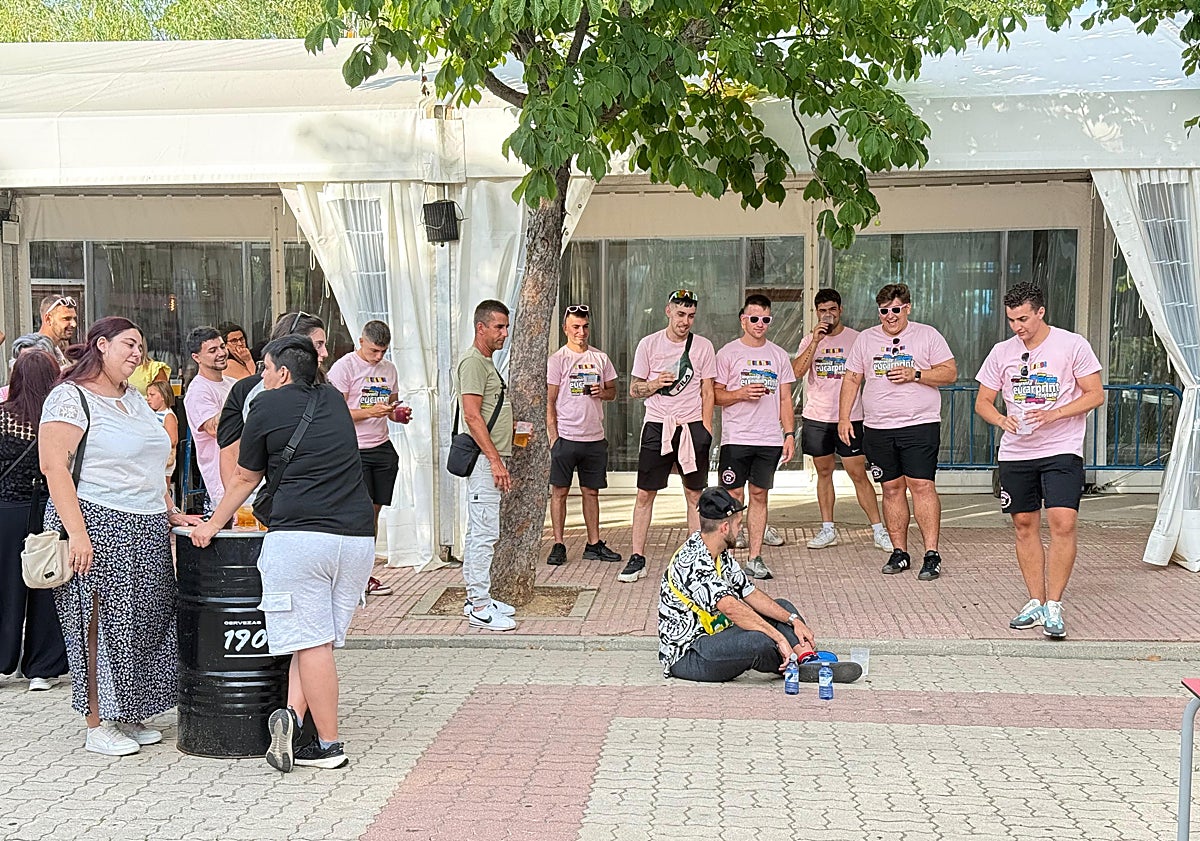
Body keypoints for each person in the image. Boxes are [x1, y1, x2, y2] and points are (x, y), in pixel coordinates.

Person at [192, 335, 375, 771]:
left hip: (300, 540)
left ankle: (328, 746)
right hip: (356, 541)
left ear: (283, 372)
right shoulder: (333, 401)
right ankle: (292, 719)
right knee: (312, 639)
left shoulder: (266, 407)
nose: (262, 376)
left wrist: (212, 525)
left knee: (312, 644)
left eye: (266, 369)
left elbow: (243, 477)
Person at [39, 317, 203, 757]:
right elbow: (54, 467)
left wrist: (169, 511)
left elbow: (150, 462)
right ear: (101, 344)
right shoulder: (70, 397)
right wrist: (76, 533)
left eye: (141, 347)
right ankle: (97, 722)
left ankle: (128, 712)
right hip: (95, 520)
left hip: (146, 523)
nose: (137, 354)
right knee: (96, 623)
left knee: (144, 622)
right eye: (128, 345)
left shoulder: (133, 397)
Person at [975, 282, 1104, 639]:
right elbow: (983, 401)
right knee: (1023, 525)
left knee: (1063, 522)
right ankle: (1035, 600)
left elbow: (1095, 395)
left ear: (1040, 312)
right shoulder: (1002, 352)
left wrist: (1055, 414)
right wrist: (1002, 420)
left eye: (1024, 319)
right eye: (1012, 320)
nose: (1018, 327)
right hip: (1017, 451)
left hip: (1062, 448)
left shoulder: (1072, 344)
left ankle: (1055, 605)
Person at [658, 487, 860, 684]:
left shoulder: (718, 552)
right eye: (738, 525)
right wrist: (778, 637)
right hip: (689, 655)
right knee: (758, 641)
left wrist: (794, 620)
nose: (740, 530)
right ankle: (795, 663)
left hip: (715, 637)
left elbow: (749, 592)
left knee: (781, 607)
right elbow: (730, 608)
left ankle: (806, 659)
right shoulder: (693, 561)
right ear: (725, 528)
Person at [839, 283, 957, 581]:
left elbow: (950, 372)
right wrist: (844, 418)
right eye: (883, 311)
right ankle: (899, 551)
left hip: (919, 424)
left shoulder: (927, 334)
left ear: (907, 308)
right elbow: (852, 379)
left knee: (921, 486)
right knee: (891, 488)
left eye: (895, 310)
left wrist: (916, 374)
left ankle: (931, 553)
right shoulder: (866, 339)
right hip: (878, 426)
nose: (889, 317)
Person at [624, 289, 717, 584]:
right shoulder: (648, 344)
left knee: (694, 494)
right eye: (680, 314)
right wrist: (653, 384)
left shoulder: (702, 346)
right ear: (668, 311)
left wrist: (706, 428)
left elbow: (707, 390)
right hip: (657, 425)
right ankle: (637, 556)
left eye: (690, 316)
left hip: (691, 427)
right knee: (645, 493)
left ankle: (695, 558)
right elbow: (633, 389)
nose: (685, 321)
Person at [793, 289, 892, 552]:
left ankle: (879, 530)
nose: (828, 315)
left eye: (832, 310)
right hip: (817, 417)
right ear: (817, 313)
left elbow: (871, 374)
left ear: (840, 310)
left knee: (857, 473)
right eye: (823, 311)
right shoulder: (809, 340)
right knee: (823, 472)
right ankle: (828, 529)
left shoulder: (857, 339)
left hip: (851, 417)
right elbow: (796, 372)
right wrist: (815, 342)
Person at [713, 294, 796, 580]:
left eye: (765, 319)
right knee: (733, 495)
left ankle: (755, 557)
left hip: (769, 439)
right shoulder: (727, 353)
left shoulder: (779, 355)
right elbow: (715, 395)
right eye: (754, 318)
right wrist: (740, 393)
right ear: (743, 319)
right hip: (736, 437)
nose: (760, 324)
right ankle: (727, 559)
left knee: (759, 495)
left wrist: (789, 434)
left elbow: (786, 398)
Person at [327, 319, 412, 597]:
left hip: (382, 446)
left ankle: (362, 571)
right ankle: (350, 575)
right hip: (353, 448)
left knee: (374, 512)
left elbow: (390, 406)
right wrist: (368, 413)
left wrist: (397, 413)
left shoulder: (389, 369)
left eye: (383, 352)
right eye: (374, 351)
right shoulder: (344, 367)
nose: (378, 357)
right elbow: (335, 414)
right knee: (358, 512)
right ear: (361, 342)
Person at [0, 350, 68, 692]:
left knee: (5, 588)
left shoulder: (2, 418)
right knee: (48, 584)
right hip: (51, 510)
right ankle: (43, 666)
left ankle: (2, 662)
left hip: (7, 512)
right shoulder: (58, 421)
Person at [216, 312, 330, 493]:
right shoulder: (246, 390)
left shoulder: (326, 392)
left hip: (314, 497)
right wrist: (235, 505)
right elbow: (229, 452)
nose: (325, 353)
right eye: (318, 345)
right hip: (257, 498)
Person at [544, 304, 621, 567]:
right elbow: (550, 400)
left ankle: (594, 543)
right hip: (566, 436)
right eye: (576, 327)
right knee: (560, 492)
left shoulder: (600, 358)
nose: (581, 332)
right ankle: (558, 543)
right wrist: (554, 437)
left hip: (594, 438)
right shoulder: (558, 359)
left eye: (585, 326)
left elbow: (613, 391)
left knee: (591, 492)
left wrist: (603, 392)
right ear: (565, 328)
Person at [457, 300, 517, 631]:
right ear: (481, 327)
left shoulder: (485, 362)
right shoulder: (473, 363)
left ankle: (479, 597)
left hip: (490, 458)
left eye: (506, 327)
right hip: (483, 462)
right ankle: (479, 604)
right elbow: (471, 414)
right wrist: (495, 460)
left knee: (481, 530)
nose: (504, 333)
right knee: (484, 532)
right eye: (499, 327)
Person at [183, 326, 235, 513]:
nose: (221, 353)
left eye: (222, 347)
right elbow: (214, 429)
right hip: (222, 483)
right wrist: (237, 404)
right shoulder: (198, 390)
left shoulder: (232, 384)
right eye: (212, 350)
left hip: (245, 475)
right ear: (196, 357)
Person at [146, 380, 179, 484]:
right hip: (154, 458)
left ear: (163, 396)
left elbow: (173, 440)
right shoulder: (153, 414)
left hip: (164, 459)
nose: (148, 399)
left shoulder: (168, 416)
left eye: (152, 395)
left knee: (163, 487)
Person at [37, 294, 78, 366]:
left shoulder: (60, 348)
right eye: (66, 319)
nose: (74, 324)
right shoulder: (35, 354)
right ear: (48, 319)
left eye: (74, 318)